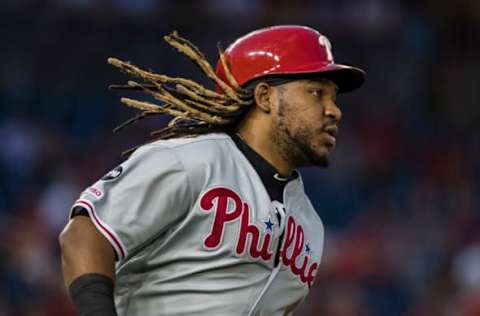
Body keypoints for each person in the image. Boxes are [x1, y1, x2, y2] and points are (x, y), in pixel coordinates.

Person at [59, 25, 365, 316]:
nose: (334, 110)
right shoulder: (191, 161)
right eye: (316, 92)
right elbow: (85, 235)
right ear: (265, 97)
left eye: (333, 97)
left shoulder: (309, 223)